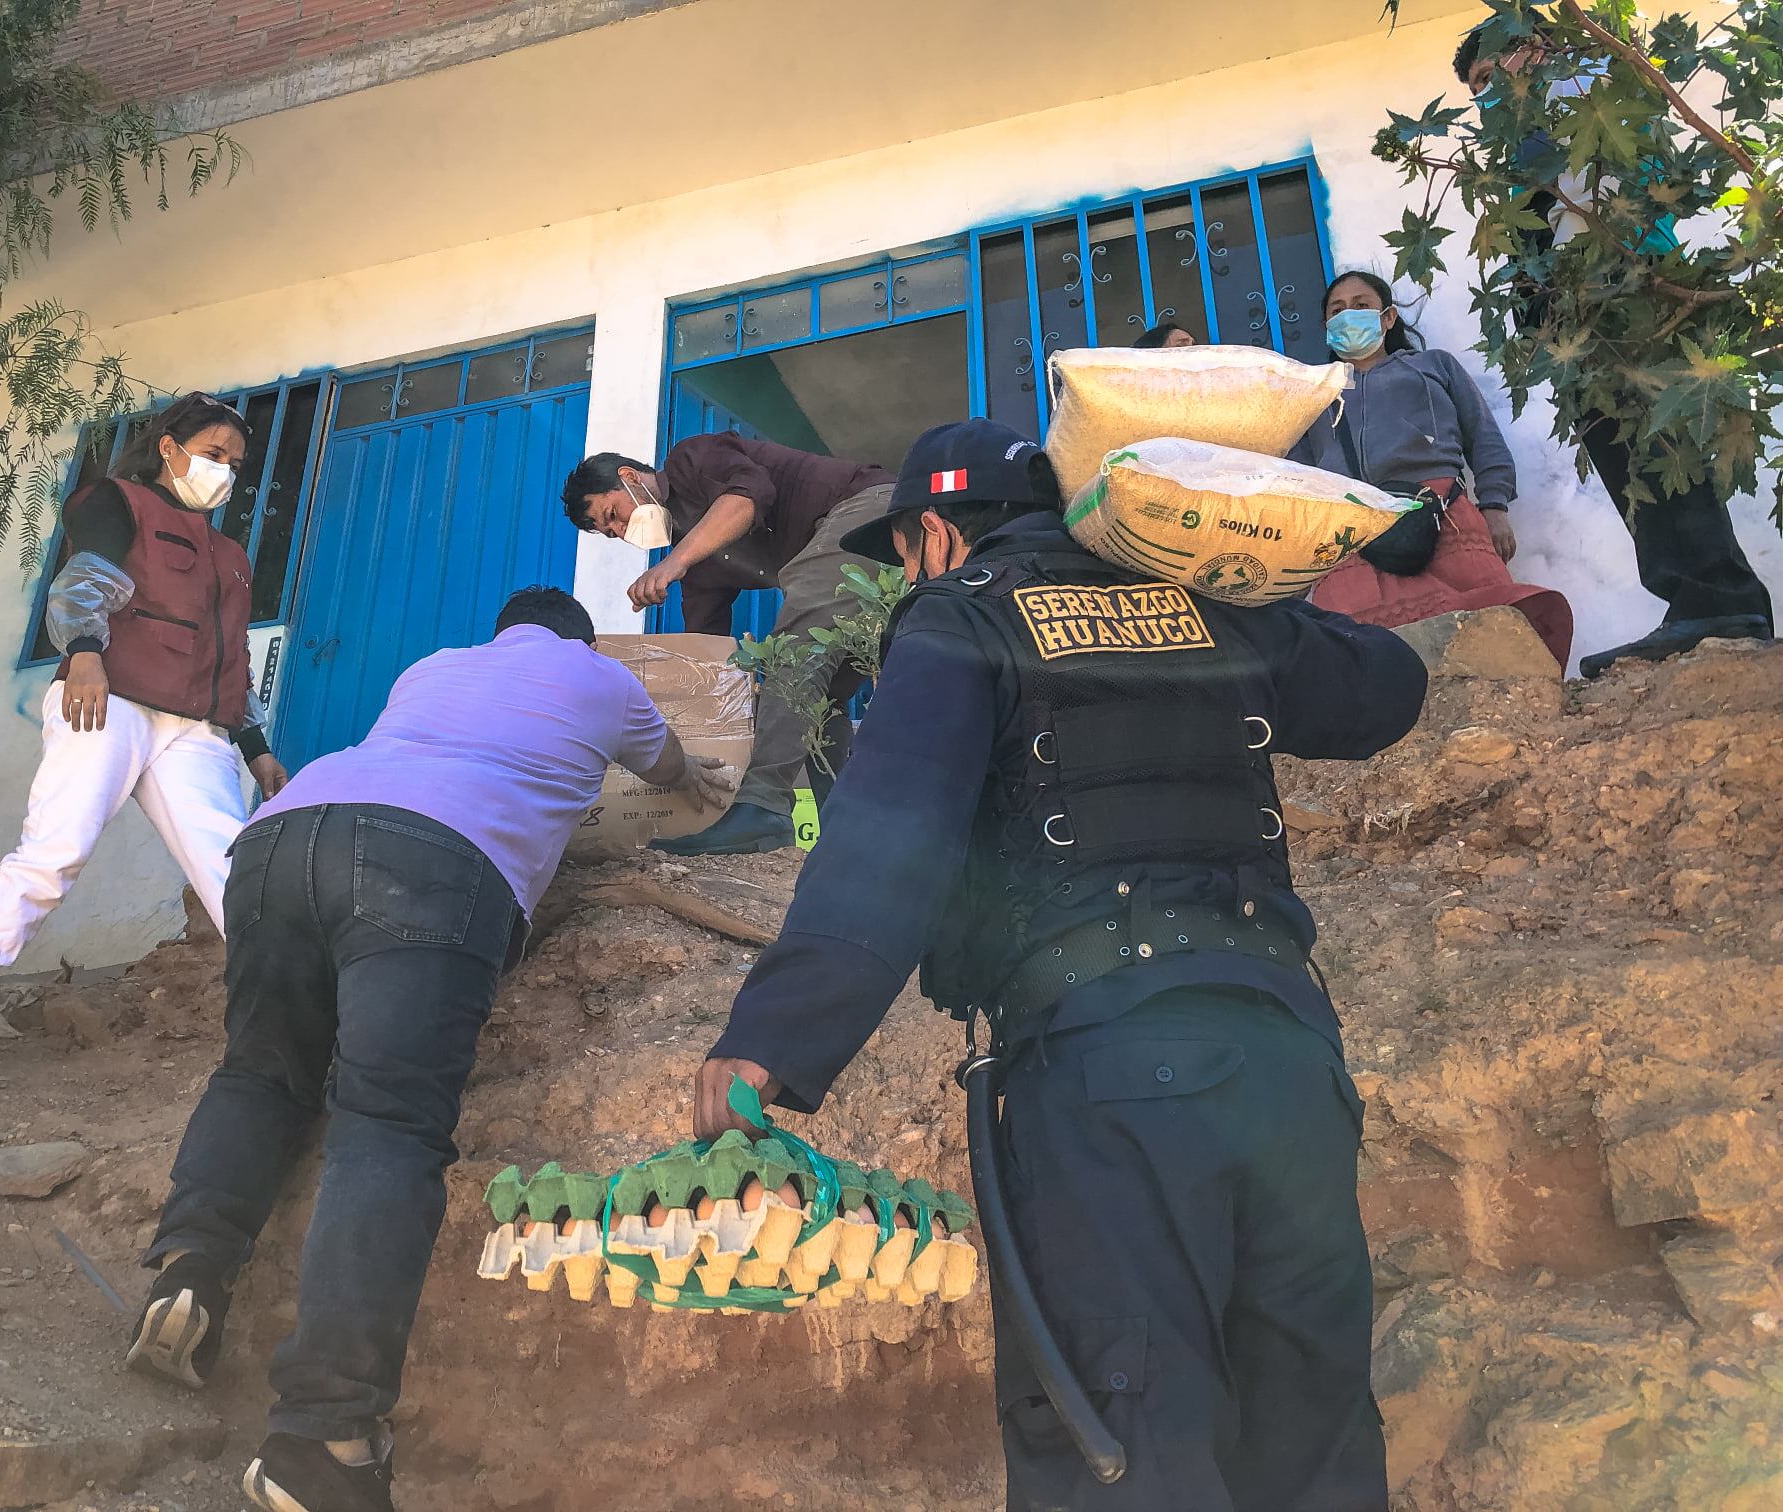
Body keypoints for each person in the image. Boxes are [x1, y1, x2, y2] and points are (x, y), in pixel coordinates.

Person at [690, 418, 1426, 1509]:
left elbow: (890, 840)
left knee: (1119, 1429)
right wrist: (1242, 589)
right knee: (1311, 1432)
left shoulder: (963, 614)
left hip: (1109, 1071)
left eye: (902, 554)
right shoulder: (1203, 607)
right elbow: (1388, 689)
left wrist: (771, 1043)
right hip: (1288, 1062)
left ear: (936, 533)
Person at [128, 586, 731, 1512]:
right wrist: (698, 782)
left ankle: (191, 1278)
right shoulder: (602, 677)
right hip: (435, 860)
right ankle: (324, 1435)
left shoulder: (434, 669)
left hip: (284, 838)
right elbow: (672, 765)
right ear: (580, 637)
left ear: (500, 634)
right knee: (388, 1128)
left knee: (260, 1071)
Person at [0, 394, 287, 1088]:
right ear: (169, 448)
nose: (225, 471)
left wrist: (255, 744)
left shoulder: (230, 555)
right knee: (56, 848)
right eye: (212, 452)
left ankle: (299, 1024)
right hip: (107, 699)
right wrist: (85, 654)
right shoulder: (117, 503)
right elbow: (84, 584)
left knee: (235, 870)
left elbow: (228, 656)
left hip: (194, 728)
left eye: (234, 462)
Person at [1453, 20, 1773, 677]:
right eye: (1476, 88)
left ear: (1530, 50)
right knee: (1628, 466)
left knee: (1660, 451)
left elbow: (1625, 184)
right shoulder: (1518, 157)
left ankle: (1722, 602)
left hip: (1628, 299)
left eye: (1490, 75)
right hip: (1573, 330)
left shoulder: (1586, 96)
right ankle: (1693, 603)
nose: (1486, 95)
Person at [561, 434, 895, 854]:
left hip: (868, 512)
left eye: (614, 513)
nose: (621, 530)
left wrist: (675, 562)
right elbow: (705, 660)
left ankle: (763, 807)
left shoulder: (689, 460)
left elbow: (746, 497)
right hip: (867, 556)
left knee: (791, 654)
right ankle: (848, 832)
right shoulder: (700, 564)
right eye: (611, 532)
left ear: (629, 478)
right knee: (816, 696)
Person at [1289, 270, 1573, 668]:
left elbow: (1482, 434)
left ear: (1387, 318)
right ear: (1326, 327)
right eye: (1337, 310)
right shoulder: (1314, 395)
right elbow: (1297, 478)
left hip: (1443, 515)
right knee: (1359, 654)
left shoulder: (1434, 367)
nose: (1348, 315)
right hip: (1351, 533)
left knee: (1488, 639)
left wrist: (1494, 506)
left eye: (1361, 306)